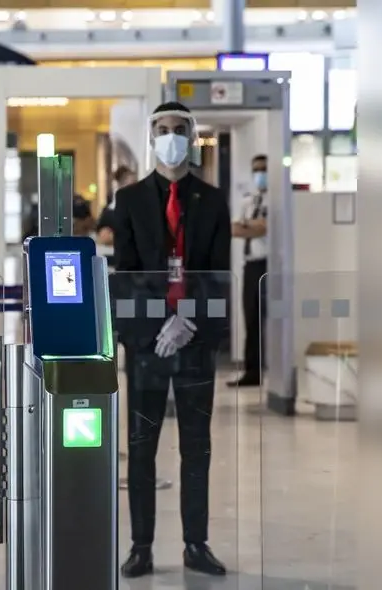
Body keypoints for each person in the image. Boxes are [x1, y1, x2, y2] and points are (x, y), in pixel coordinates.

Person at [112, 101, 231, 578]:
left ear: (192, 135)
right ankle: (141, 545)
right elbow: (127, 275)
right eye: (162, 129)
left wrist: (188, 321)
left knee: (196, 447)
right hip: (146, 345)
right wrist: (155, 325)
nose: (170, 136)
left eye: (179, 129)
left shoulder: (213, 200)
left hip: (195, 341)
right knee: (141, 447)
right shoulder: (131, 200)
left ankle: (195, 543)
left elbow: (217, 272)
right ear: (151, 137)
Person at [227, 154, 269, 387]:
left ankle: (273, 368)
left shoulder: (275, 200)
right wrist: (252, 227)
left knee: (271, 319)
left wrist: (250, 226)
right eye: (256, 170)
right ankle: (252, 371)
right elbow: (234, 229)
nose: (259, 174)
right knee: (251, 319)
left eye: (263, 169)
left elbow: (265, 228)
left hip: (269, 265)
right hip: (250, 265)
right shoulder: (250, 200)